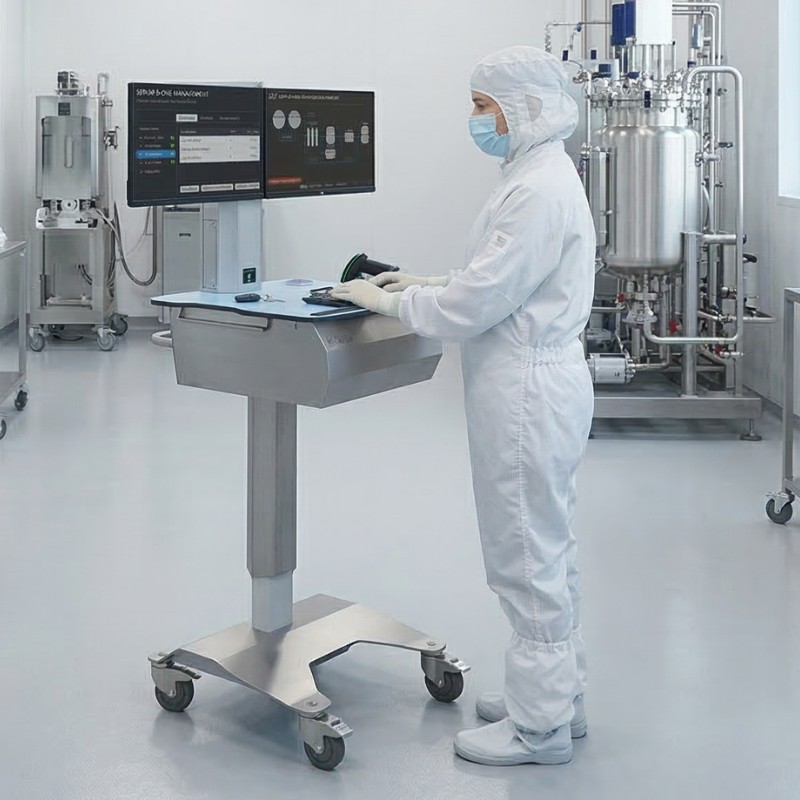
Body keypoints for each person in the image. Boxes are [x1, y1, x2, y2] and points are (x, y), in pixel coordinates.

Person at [331, 45, 595, 767]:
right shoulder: (536, 176)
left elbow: (477, 302)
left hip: (526, 395)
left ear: (524, 107)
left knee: (523, 555)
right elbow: (498, 276)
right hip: (536, 382)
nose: (475, 120)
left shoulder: (538, 188)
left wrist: (394, 300)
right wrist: (421, 277)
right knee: (546, 545)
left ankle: (537, 730)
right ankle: (555, 699)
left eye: (484, 107)